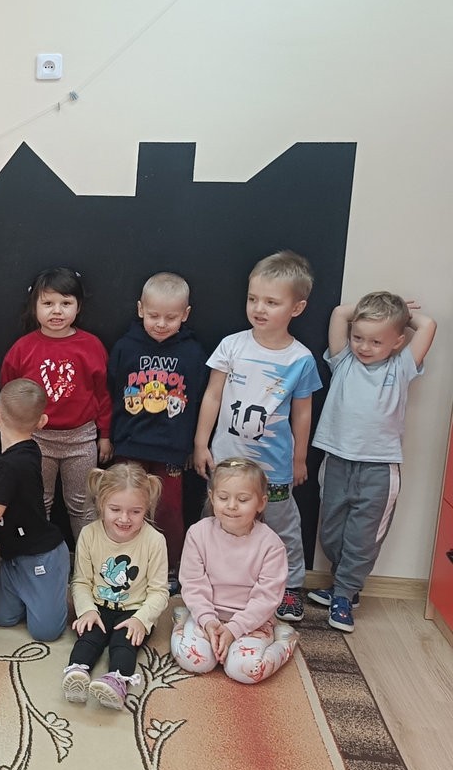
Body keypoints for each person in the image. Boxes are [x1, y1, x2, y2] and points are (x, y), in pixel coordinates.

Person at [193, 250, 322, 623]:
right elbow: (212, 395)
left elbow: (302, 411)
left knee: (282, 527)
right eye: (253, 299)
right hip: (227, 461)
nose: (259, 309)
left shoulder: (301, 359)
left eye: (271, 302)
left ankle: (290, 586)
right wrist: (201, 443)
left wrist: (300, 458)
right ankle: (208, 583)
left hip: (274, 467)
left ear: (297, 308)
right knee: (215, 518)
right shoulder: (232, 345)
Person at [309, 292, 436, 632]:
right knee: (331, 532)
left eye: (376, 341)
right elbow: (340, 313)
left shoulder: (401, 367)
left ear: (397, 342)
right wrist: (376, 307)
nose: (364, 347)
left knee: (363, 537)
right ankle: (343, 586)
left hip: (379, 469)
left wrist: (398, 312)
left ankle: (344, 593)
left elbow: (428, 325)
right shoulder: (344, 361)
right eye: (359, 337)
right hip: (337, 461)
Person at [106, 272, 207, 587]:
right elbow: (111, 392)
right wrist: (108, 436)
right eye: (153, 316)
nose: (161, 324)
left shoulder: (192, 352)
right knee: (125, 505)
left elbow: (198, 400)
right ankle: (120, 561)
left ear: (185, 315)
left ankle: (170, 566)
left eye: (170, 317)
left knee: (169, 510)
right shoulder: (125, 347)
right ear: (140, 309)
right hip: (129, 444)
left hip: (171, 448)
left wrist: (191, 445)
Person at [0, 267, 113, 541]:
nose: (57, 311)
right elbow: (8, 394)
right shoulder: (22, 349)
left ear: (78, 306)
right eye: (48, 303)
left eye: (66, 303)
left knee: (83, 506)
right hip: (36, 439)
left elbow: (103, 394)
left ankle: (88, 559)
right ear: (35, 306)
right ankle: (41, 559)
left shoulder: (91, 346)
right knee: (39, 503)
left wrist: (105, 435)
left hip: (81, 440)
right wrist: (10, 438)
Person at [171, 457, 298, 683]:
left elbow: (267, 597)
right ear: (212, 497)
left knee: (245, 670)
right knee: (195, 661)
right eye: (223, 498)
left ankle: (284, 641)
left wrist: (234, 629)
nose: (231, 505)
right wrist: (208, 621)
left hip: (252, 621)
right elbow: (193, 583)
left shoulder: (271, 545)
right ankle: (183, 621)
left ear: (261, 503)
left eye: (243, 499)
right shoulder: (198, 533)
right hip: (208, 615)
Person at [0, 379, 68, 642]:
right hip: (15, 556)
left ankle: (48, 589)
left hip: (43, 556)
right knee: (2, 617)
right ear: (42, 422)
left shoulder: (13, 463)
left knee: (45, 632)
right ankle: (26, 592)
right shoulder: (22, 451)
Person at [62, 463, 169, 710]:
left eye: (135, 511)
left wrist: (141, 619)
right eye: (115, 509)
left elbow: (159, 591)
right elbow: (81, 582)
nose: (124, 518)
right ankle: (77, 673)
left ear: (146, 508)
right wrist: (87, 610)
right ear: (101, 504)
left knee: (124, 644)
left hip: (134, 611)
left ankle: (117, 681)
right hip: (98, 607)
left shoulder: (155, 541)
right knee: (88, 639)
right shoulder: (89, 534)